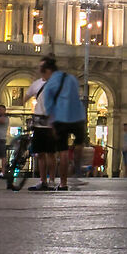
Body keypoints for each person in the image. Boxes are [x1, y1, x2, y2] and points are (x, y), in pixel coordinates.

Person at [30, 55, 86, 190]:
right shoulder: (71, 78)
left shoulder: (49, 86)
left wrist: (52, 125)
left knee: (63, 151)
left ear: (48, 71)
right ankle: (77, 168)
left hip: (62, 118)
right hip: (78, 116)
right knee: (79, 144)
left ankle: (63, 183)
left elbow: (49, 108)